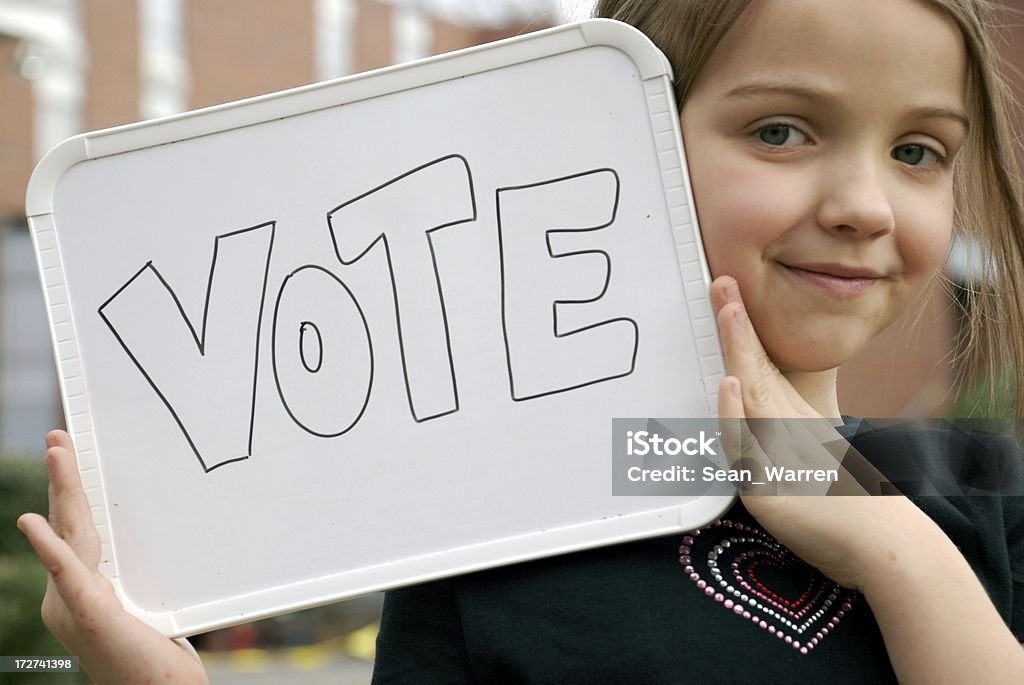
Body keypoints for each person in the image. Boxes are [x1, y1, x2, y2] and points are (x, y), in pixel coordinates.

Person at [15, 0, 1024, 682]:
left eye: (917, 151)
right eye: (781, 131)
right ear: (621, 134)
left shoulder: (987, 488)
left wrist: (885, 540)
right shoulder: (491, 528)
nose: (862, 204)